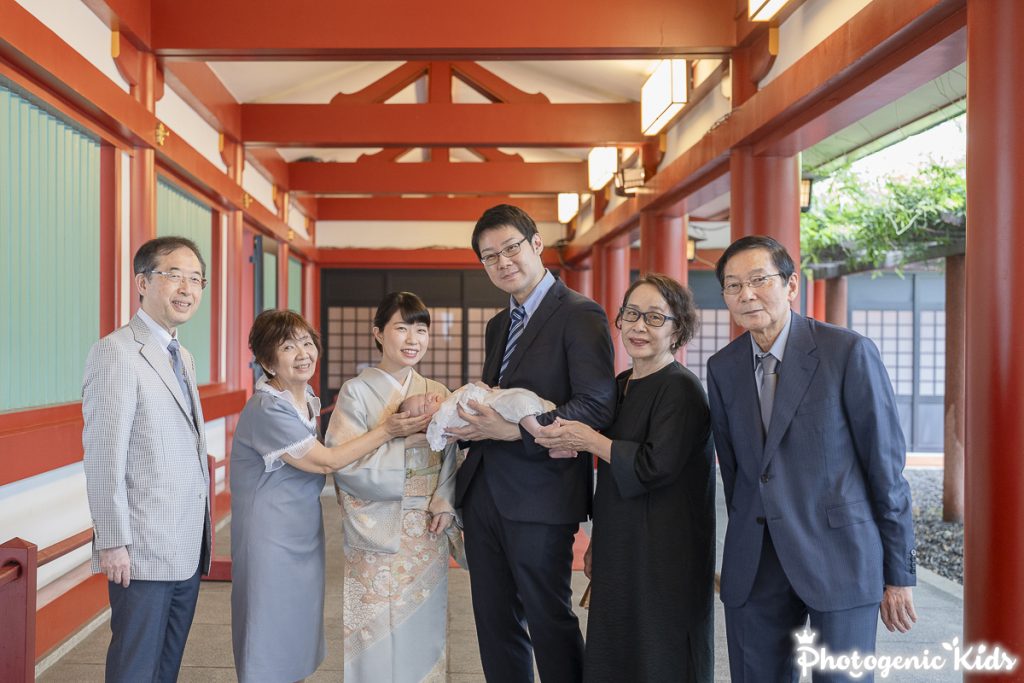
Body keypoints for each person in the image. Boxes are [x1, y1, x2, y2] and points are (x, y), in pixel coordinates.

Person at [707, 235, 917, 682]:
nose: (746, 294)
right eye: (732, 285)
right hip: (757, 565)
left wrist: (898, 573)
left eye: (759, 280)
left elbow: (886, 470)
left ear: (791, 285)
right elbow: (738, 473)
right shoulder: (722, 368)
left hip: (840, 558)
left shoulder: (847, 352)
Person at [447, 204, 616, 683]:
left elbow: (597, 405)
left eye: (511, 248)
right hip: (483, 493)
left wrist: (517, 430)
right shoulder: (498, 325)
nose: (503, 262)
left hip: (543, 494)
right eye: (489, 256)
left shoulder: (581, 314)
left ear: (537, 244)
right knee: (494, 623)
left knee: (548, 619)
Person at [535, 274, 715, 683]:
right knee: (615, 647)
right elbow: (616, 473)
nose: (638, 326)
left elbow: (655, 465)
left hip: (666, 549)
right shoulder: (620, 385)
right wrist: (599, 539)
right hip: (622, 539)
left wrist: (592, 439)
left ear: (678, 329)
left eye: (654, 317)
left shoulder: (682, 390)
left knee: (660, 650)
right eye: (631, 314)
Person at [229, 309, 419, 682]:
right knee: (268, 621)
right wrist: (388, 429)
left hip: (302, 526)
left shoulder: (306, 399)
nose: (302, 353)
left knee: (299, 621)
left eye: (306, 342)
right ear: (267, 361)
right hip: (268, 533)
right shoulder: (268, 408)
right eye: (287, 347)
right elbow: (324, 462)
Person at [82, 236, 212, 682]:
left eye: (196, 279)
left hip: (185, 546)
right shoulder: (116, 352)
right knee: (135, 668)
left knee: (165, 668)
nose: (187, 288)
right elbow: (104, 456)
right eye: (174, 275)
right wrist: (112, 541)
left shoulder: (183, 356)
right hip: (140, 549)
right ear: (142, 282)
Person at [326, 291, 461, 683]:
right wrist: (407, 445)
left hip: (426, 528)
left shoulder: (437, 389)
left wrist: (445, 499)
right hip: (377, 522)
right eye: (401, 328)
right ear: (379, 334)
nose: (412, 339)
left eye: (421, 330)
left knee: (423, 621)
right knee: (374, 627)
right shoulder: (357, 392)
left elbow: (453, 458)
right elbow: (344, 461)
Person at [419, 383, 573, 457]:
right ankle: (539, 432)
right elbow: (439, 436)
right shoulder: (442, 416)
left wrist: (476, 386)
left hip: (494, 397)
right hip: (495, 407)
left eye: (423, 396)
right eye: (422, 406)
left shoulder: (448, 399)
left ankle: (555, 447)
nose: (427, 398)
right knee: (520, 405)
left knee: (538, 404)